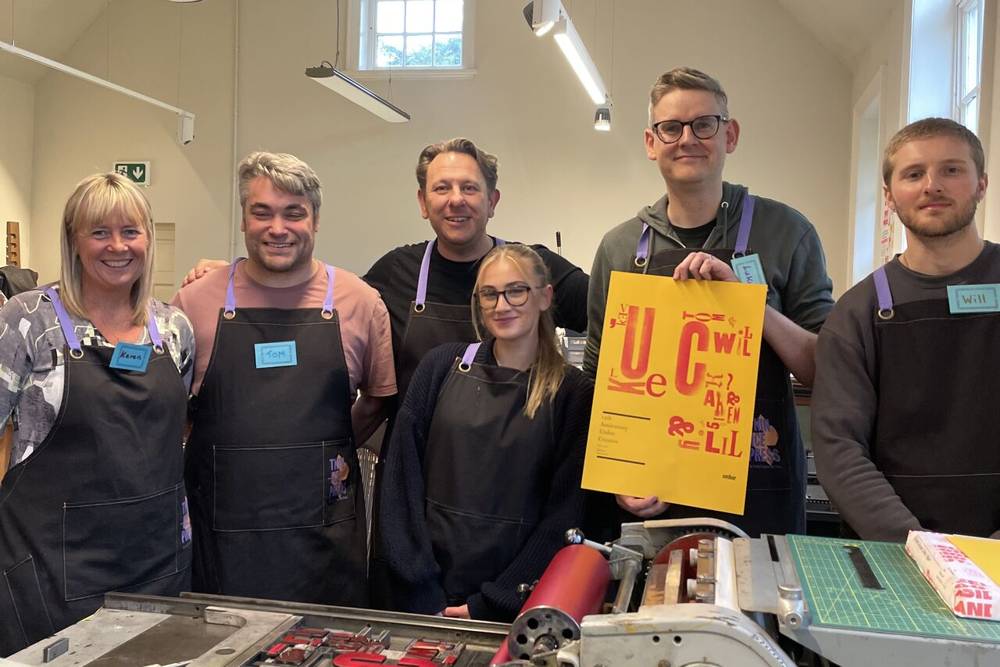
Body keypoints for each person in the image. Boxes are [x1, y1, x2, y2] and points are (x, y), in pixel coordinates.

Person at [585, 67, 833, 538]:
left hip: (760, 484)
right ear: (651, 142)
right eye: (670, 128)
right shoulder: (618, 248)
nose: (687, 139)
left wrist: (750, 307)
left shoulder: (786, 232)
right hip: (656, 490)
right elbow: (599, 378)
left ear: (730, 134)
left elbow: (824, 367)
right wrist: (621, 470)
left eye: (704, 124)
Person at [173, 152, 395, 606]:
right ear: (243, 220)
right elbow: (171, 412)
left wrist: (316, 457)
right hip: (223, 538)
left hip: (324, 537)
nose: (278, 228)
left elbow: (377, 399)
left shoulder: (360, 302)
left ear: (315, 220)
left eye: (294, 213)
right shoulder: (193, 303)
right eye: (262, 213)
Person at [0, 173, 195, 655]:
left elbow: (178, 431)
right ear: (73, 240)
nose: (117, 246)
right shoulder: (29, 321)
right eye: (99, 232)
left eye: (130, 232)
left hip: (156, 567)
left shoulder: (173, 329)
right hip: (49, 570)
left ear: (148, 239)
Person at [378, 244, 592, 621]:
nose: (501, 304)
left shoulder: (573, 393)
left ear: (545, 297)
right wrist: (420, 586)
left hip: (512, 606)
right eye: (489, 294)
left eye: (516, 290)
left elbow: (565, 514)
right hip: (423, 597)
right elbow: (400, 483)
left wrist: (494, 601)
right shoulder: (440, 367)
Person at [812, 118, 1000, 542]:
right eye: (914, 174)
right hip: (894, 557)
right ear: (889, 197)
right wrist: (916, 548)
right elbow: (839, 447)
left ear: (982, 184)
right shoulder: (857, 313)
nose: (932, 185)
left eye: (951, 170)